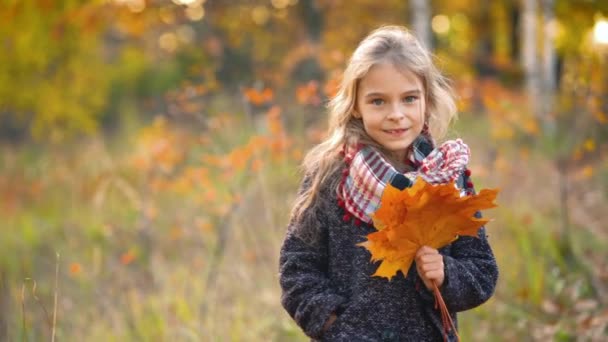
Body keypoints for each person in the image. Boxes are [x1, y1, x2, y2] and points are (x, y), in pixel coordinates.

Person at [278, 26, 498, 342]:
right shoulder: (330, 176)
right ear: (355, 105)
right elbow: (297, 270)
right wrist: (338, 329)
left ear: (427, 100)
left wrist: (447, 274)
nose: (396, 114)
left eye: (409, 99)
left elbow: (482, 270)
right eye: (378, 101)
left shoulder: (449, 177)